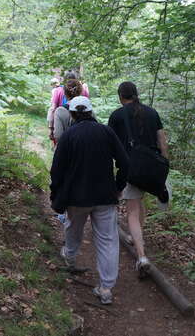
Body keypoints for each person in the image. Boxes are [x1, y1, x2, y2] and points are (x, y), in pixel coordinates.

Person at [50, 96, 129, 305]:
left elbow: (56, 170)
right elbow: (125, 163)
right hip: (105, 196)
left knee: (73, 230)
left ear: (73, 114)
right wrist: (118, 188)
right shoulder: (106, 132)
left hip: (76, 197)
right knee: (108, 241)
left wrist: (55, 194)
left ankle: (70, 258)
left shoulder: (69, 136)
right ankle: (105, 288)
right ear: (91, 112)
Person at [108, 81, 169, 275]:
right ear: (135, 94)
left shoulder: (117, 115)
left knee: (132, 212)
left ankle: (141, 256)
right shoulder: (152, 113)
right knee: (140, 203)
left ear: (121, 96)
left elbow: (111, 145)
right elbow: (162, 141)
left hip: (131, 169)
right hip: (152, 168)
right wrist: (164, 166)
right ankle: (136, 238)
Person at [47, 72, 89, 142]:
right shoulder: (83, 90)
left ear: (64, 81)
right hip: (81, 130)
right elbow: (88, 106)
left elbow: (53, 108)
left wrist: (51, 128)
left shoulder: (58, 91)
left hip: (62, 123)